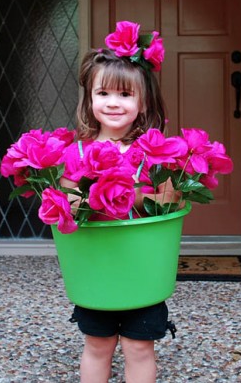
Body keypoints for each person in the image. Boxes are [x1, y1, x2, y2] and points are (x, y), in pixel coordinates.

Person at [61, 22, 177, 383]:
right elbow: (65, 205)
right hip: (98, 272)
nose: (113, 103)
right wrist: (90, 196)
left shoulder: (151, 153)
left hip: (141, 271)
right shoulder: (76, 152)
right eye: (104, 93)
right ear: (90, 99)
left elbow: (168, 201)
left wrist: (133, 192)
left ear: (142, 103)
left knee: (140, 347)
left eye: (126, 95)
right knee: (97, 345)